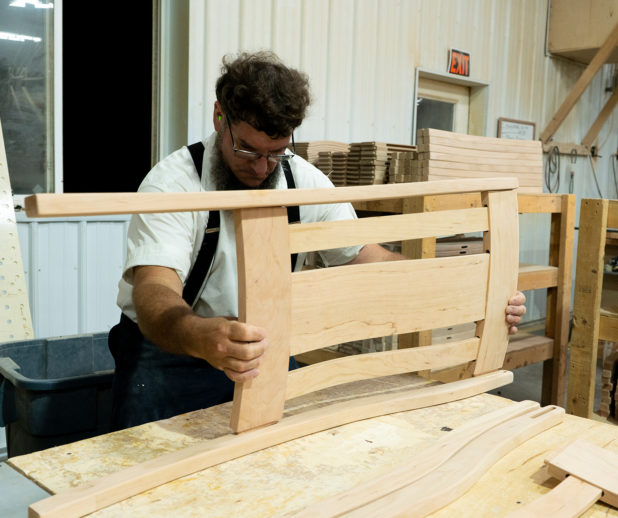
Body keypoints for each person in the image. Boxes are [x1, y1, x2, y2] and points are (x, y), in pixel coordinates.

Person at [108, 51, 526, 430]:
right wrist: (201, 337)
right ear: (220, 118)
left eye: (276, 152)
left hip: (262, 351)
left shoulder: (301, 181)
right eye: (249, 151)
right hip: (172, 353)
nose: (262, 168)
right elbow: (155, 293)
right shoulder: (173, 184)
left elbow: (363, 257)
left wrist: (474, 287)